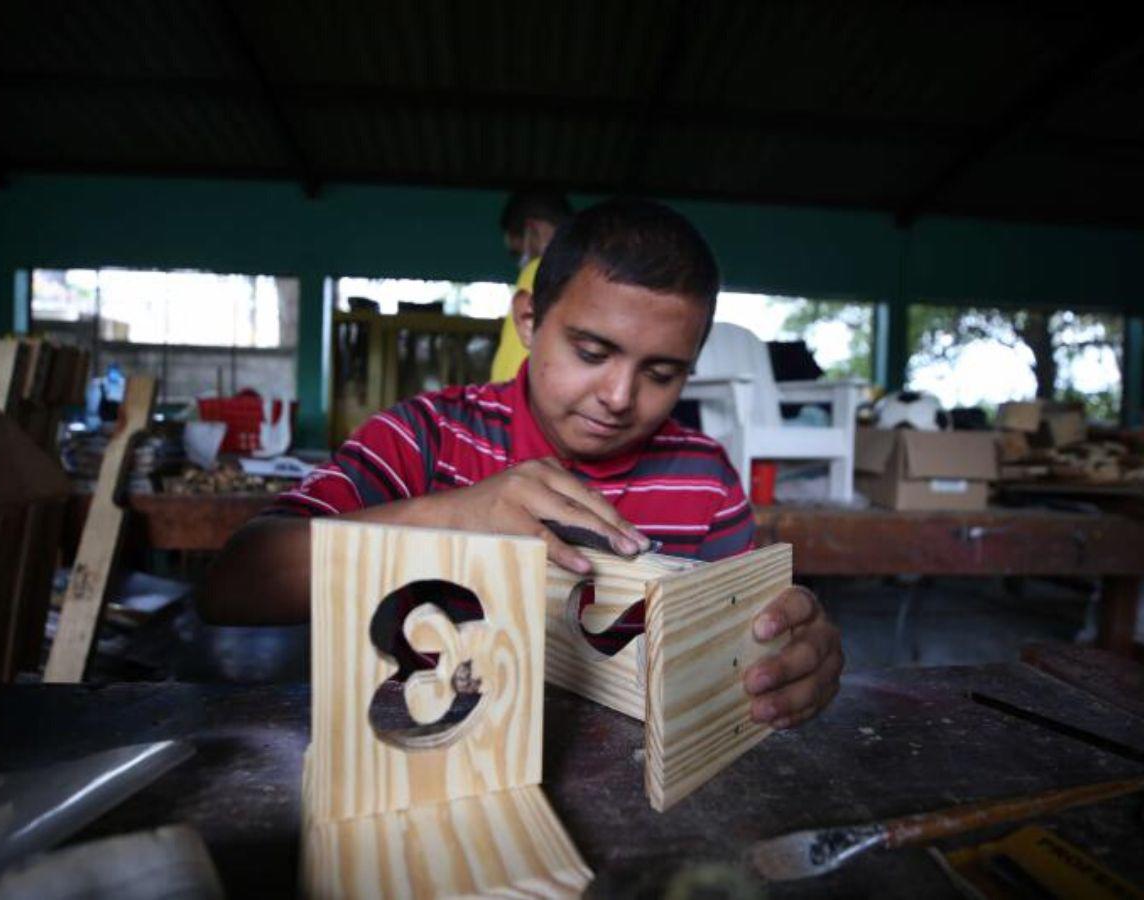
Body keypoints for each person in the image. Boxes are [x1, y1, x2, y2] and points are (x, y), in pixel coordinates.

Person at [203, 198, 842, 732]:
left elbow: (745, 642)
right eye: (592, 351)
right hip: (425, 763)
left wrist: (793, 653)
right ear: (530, 321)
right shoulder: (428, 437)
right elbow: (232, 586)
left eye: (661, 372)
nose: (619, 398)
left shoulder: (705, 479)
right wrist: (447, 519)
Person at [489, 189, 573, 382]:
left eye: (517, 252)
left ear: (533, 229)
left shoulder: (539, 270)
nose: (520, 261)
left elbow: (513, 370)